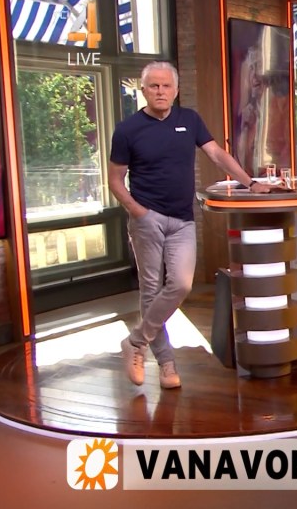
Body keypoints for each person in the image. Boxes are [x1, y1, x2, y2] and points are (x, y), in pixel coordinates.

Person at [109, 61, 269, 389]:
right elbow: (115, 179)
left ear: (176, 90)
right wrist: (138, 211)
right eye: (154, 86)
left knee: (181, 285)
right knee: (151, 291)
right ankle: (166, 364)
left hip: (182, 220)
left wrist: (250, 183)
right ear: (144, 90)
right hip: (147, 220)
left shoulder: (189, 120)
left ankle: (135, 341)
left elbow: (218, 155)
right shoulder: (127, 129)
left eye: (166, 86)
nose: (160, 91)